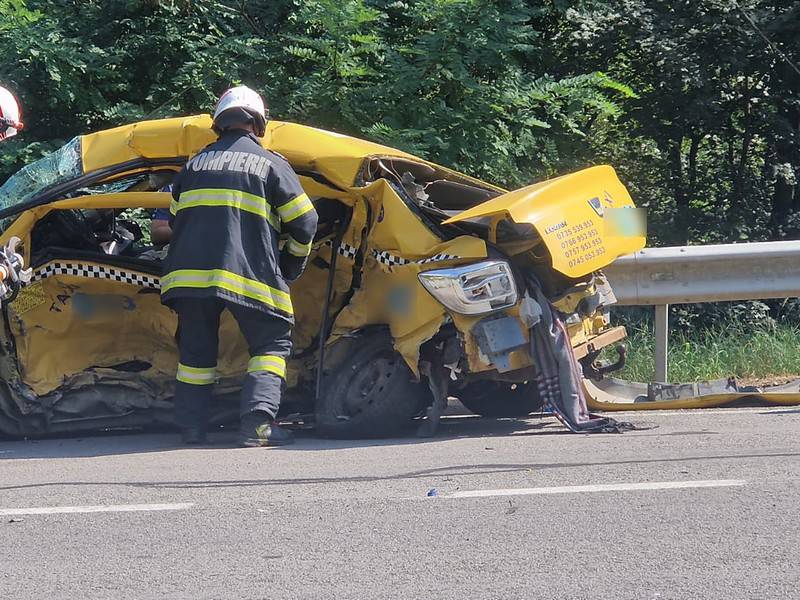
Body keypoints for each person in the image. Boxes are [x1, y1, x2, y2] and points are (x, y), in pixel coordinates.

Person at [161, 86, 318, 446]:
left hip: (187, 278)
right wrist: (290, 264)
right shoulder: (271, 165)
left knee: (196, 355)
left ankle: (191, 428)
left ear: (219, 123)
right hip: (248, 274)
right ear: (258, 123)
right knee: (272, 343)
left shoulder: (191, 167)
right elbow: (306, 222)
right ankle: (258, 426)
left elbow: (172, 223)